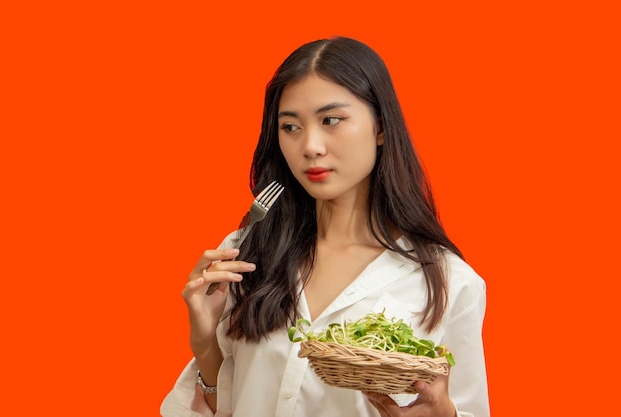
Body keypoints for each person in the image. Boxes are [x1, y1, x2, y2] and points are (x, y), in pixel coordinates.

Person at [161, 36, 489, 417]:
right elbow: (231, 406)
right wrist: (205, 343)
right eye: (290, 127)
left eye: (331, 120)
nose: (311, 146)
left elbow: (467, 407)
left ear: (380, 128)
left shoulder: (447, 281)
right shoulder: (247, 251)